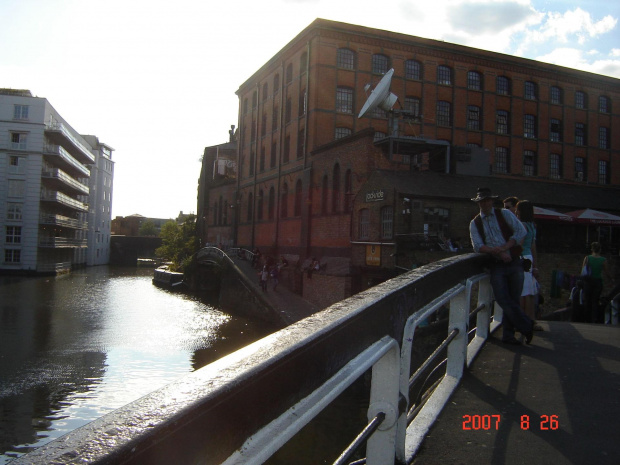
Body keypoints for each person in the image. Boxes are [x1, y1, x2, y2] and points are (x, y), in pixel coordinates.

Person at [469, 187, 534, 345]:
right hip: (496, 264)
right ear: (479, 203)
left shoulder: (504, 214)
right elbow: (477, 246)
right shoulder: (475, 223)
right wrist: (496, 252)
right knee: (503, 299)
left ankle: (508, 335)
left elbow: (520, 231)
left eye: (487, 200)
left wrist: (505, 248)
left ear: (491, 201)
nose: (485, 203)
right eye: (482, 201)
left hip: (514, 261)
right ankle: (527, 325)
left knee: (512, 299)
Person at [515, 200, 543, 331]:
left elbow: (519, 245)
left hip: (522, 258)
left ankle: (522, 320)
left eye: (516, 209)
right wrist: (535, 266)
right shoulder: (532, 225)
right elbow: (533, 246)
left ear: (520, 211)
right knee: (530, 290)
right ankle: (531, 319)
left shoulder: (522, 226)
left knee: (522, 291)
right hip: (529, 259)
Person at [581, 242, 612, 323]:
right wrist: (611, 279)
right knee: (595, 301)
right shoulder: (603, 260)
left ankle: (586, 319)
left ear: (592, 249)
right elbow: (606, 272)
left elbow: (583, 271)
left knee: (587, 300)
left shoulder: (587, 258)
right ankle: (594, 319)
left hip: (588, 281)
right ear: (600, 250)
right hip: (597, 282)